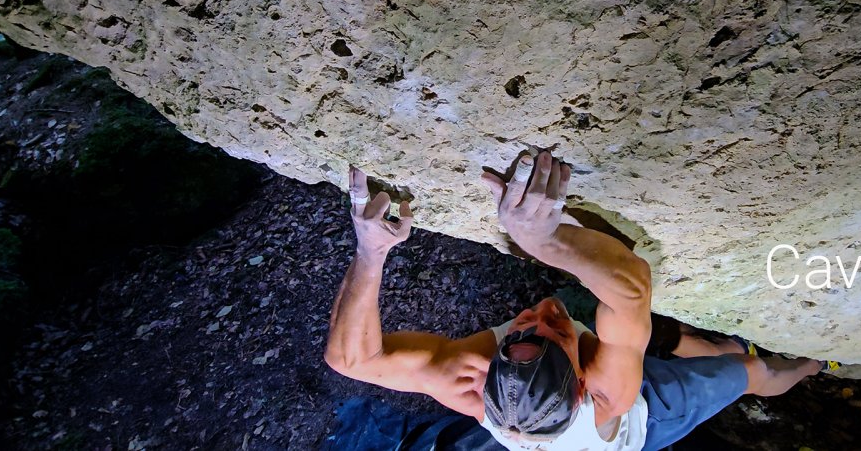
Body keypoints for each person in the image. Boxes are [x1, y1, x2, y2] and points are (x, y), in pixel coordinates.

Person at [325, 150, 829, 450]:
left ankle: (690, 341)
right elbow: (633, 287)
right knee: (750, 373)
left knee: (640, 327)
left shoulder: (466, 376)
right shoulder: (612, 395)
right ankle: (811, 364)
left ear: (492, 372)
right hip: (650, 417)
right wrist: (544, 241)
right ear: (584, 384)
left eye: (521, 330)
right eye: (555, 331)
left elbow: (351, 359)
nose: (542, 311)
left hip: (589, 357)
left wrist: (371, 251)